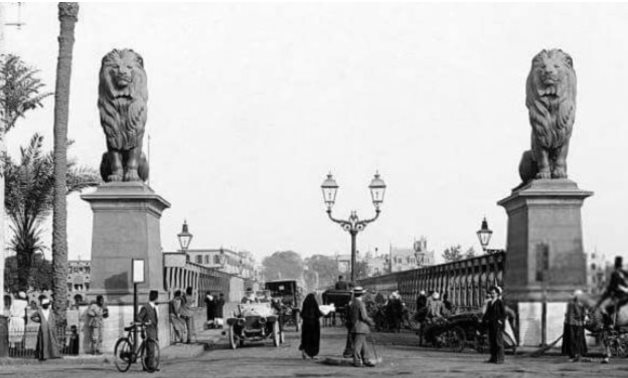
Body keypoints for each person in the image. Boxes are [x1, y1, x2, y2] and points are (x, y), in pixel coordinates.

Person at [595, 256, 628, 326]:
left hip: (619, 296)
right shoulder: (624, 272)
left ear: (615, 265)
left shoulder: (614, 273)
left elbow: (612, 287)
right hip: (626, 295)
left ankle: (610, 324)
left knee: (602, 308)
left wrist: (605, 295)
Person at [349, 286, 376, 367]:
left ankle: (366, 359)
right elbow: (364, 317)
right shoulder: (361, 304)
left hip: (354, 326)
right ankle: (356, 361)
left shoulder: (352, 302)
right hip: (360, 327)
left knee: (364, 344)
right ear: (361, 295)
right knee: (358, 346)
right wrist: (371, 321)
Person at [482, 286, 505, 364]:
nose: (492, 294)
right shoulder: (489, 303)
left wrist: (500, 320)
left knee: (498, 342)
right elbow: (487, 313)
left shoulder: (499, 302)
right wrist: (483, 319)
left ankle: (500, 359)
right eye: (491, 293)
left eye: (494, 293)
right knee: (492, 342)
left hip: (497, 325)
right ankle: (493, 358)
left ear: (497, 294)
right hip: (491, 324)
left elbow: (504, 314)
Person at [562, 289, 587, 362]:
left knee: (576, 340)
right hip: (573, 324)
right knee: (573, 340)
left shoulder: (579, 303)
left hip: (575, 324)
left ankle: (576, 354)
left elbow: (583, 313)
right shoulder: (573, 304)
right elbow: (574, 314)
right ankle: (573, 355)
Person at [137, 290, 159, 372]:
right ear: (156, 298)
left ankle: (147, 365)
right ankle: (150, 366)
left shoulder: (154, 307)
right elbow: (139, 317)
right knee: (151, 349)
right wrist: (144, 323)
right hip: (148, 330)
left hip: (153, 330)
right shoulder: (146, 307)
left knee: (150, 349)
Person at [299, 293, 324, 359]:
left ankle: (304, 353)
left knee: (305, 339)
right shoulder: (314, 304)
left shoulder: (305, 303)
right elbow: (317, 313)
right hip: (314, 324)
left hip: (306, 324)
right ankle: (312, 354)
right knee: (313, 340)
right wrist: (323, 313)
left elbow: (302, 314)